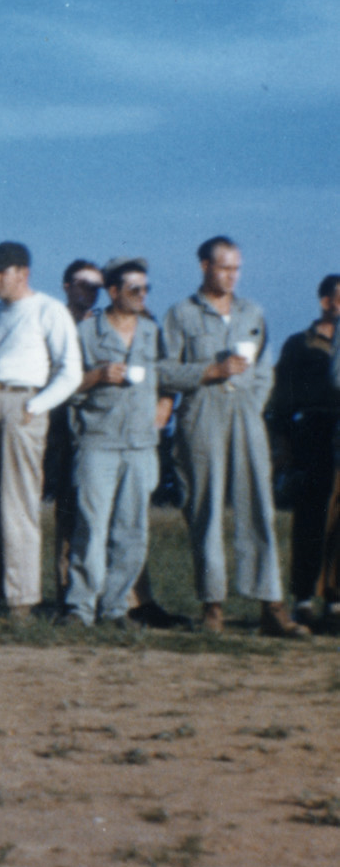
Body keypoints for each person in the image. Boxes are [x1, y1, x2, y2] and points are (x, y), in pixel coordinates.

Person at [158, 236, 308, 637]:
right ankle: (213, 606)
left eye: (236, 268)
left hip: (245, 415)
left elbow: (264, 368)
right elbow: (164, 370)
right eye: (224, 267)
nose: (231, 276)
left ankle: (271, 605)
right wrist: (208, 373)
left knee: (258, 506)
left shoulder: (252, 311)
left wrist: (252, 404)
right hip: (202, 412)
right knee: (204, 509)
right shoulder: (180, 314)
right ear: (204, 266)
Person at [0, 241, 82, 620]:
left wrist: (36, 405)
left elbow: (70, 370)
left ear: (22, 273)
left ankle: (21, 600)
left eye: (1, 271)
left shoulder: (49, 310)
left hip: (25, 405)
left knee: (18, 504)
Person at [63, 259, 165, 627]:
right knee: (91, 528)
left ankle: (116, 608)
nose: (142, 296)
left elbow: (166, 376)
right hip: (98, 442)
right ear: (114, 292)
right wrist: (97, 376)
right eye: (134, 289)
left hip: (140, 445)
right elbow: (67, 387)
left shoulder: (153, 332)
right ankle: (80, 607)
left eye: (146, 289)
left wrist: (164, 407)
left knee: (132, 530)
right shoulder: (87, 334)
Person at [267, 274, 340, 625]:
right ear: (326, 301)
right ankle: (304, 598)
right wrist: (281, 444)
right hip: (311, 433)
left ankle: (336, 599)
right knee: (310, 517)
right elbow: (280, 398)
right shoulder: (299, 344)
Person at [46, 259, 105, 603]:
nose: (91, 292)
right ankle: (65, 590)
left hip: (97, 427)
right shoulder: (54, 323)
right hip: (61, 430)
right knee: (68, 512)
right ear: (67, 285)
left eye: (97, 286)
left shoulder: (103, 326)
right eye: (84, 284)